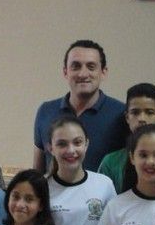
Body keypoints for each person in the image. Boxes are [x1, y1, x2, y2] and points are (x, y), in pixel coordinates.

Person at [33, 39, 127, 173]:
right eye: (75, 66)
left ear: (103, 72)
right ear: (65, 72)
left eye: (91, 67)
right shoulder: (46, 111)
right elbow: (38, 172)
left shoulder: (121, 114)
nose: (83, 74)